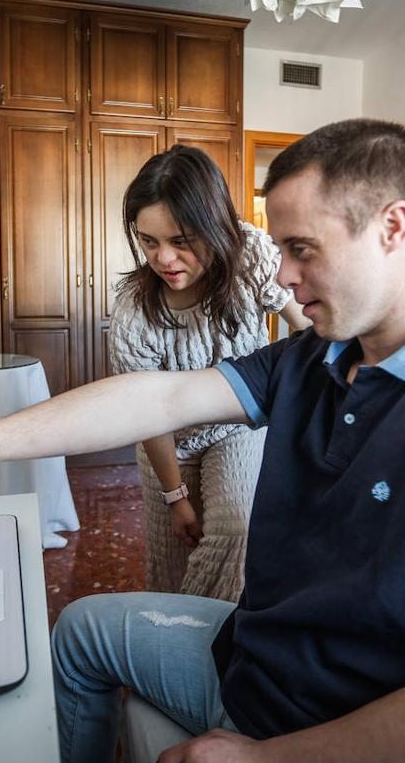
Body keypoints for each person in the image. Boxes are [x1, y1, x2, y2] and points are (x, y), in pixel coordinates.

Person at [0, 118, 405, 763]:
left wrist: (265, 758)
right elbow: (159, 396)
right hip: (259, 663)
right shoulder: (311, 359)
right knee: (80, 629)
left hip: (317, 720)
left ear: (393, 226)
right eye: (280, 250)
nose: (281, 277)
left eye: (302, 249)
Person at [110, 145, 305, 601]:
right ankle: (162, 647)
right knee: (172, 561)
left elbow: (306, 325)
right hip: (165, 439)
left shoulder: (249, 254)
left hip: (236, 428)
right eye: (148, 241)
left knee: (236, 533)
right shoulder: (133, 312)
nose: (164, 259)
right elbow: (145, 416)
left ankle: (208, 650)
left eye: (181, 241)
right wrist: (175, 497)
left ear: (214, 226)